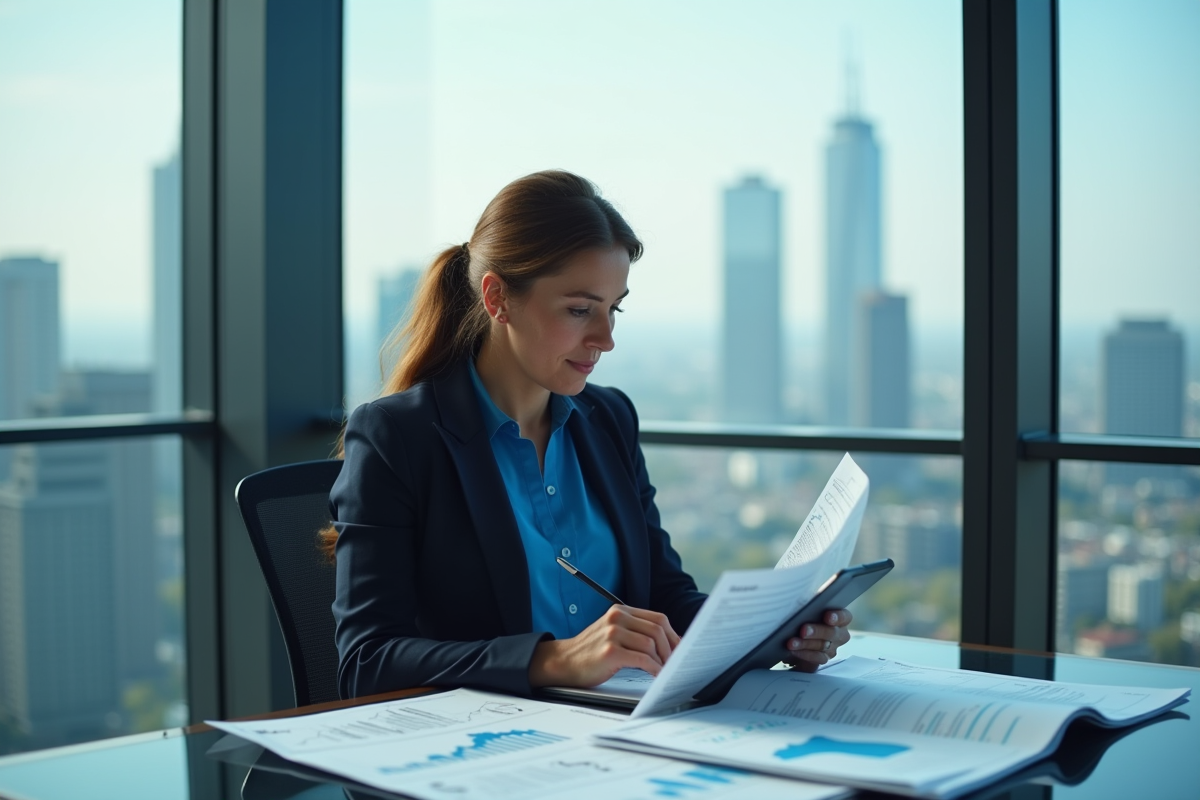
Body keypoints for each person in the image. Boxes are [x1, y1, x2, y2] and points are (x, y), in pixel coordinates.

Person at [325, 170, 852, 700]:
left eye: (613, 308)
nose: (606, 339)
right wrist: (553, 659)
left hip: (622, 728)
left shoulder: (609, 419)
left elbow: (665, 597)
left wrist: (777, 632)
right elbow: (368, 662)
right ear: (497, 298)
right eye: (580, 310)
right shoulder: (397, 436)